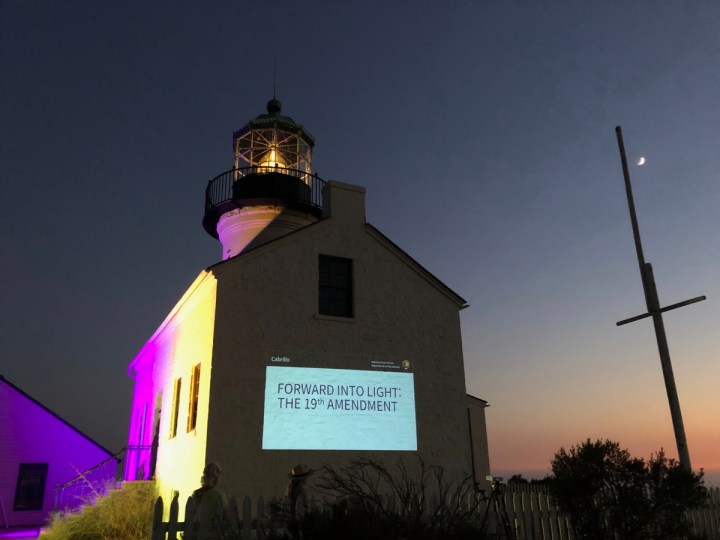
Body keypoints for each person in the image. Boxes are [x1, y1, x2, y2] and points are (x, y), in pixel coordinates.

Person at [191, 462, 229, 538]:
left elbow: (191, 514)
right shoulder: (219, 495)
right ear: (217, 478)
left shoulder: (195, 493)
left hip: (197, 534)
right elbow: (226, 517)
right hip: (213, 534)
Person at [285, 464, 314, 539]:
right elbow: (304, 508)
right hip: (300, 524)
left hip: (292, 523)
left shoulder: (292, 489)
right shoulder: (301, 490)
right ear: (302, 479)